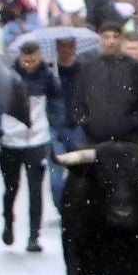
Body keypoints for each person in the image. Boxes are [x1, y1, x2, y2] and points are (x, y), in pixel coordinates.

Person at [0, 40, 62, 251]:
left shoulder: (48, 77)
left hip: (37, 139)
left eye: (33, 60)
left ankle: (34, 236)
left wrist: (54, 125)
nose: (29, 64)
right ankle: (8, 224)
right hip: (10, 140)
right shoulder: (7, 76)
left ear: (40, 57)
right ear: (19, 58)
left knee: (35, 190)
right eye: (25, 60)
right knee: (11, 188)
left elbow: (57, 102)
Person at [77, 24, 138, 147]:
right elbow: (80, 101)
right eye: (106, 37)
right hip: (96, 139)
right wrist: (88, 123)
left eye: (115, 37)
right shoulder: (89, 69)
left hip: (132, 139)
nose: (111, 41)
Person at [47, 35, 88, 207]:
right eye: (62, 46)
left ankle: (77, 206)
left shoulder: (83, 70)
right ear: (56, 48)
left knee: (80, 172)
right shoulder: (49, 72)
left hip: (77, 127)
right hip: (54, 127)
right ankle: (62, 207)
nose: (65, 50)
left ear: (74, 47)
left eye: (69, 46)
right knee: (56, 175)